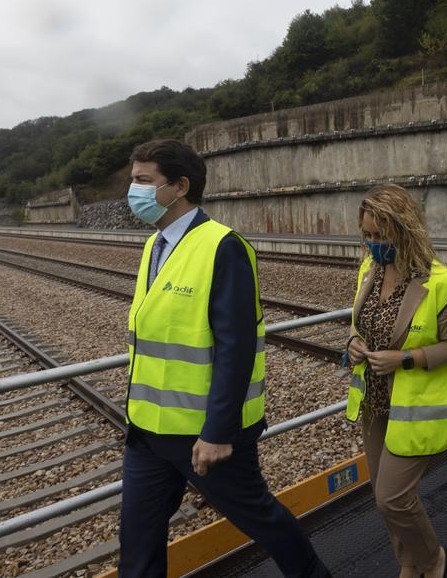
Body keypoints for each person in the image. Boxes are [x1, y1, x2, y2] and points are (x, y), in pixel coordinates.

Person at [119, 139, 329, 578]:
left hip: (203, 436)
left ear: (179, 186)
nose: (132, 190)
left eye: (143, 180)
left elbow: (236, 348)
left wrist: (217, 431)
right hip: (147, 432)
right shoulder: (154, 245)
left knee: (262, 520)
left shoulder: (223, 247)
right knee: (137, 545)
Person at [344, 184, 447, 578]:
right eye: (367, 235)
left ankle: (435, 561)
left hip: (414, 405)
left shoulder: (442, 283)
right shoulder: (370, 269)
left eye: (381, 236)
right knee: (383, 496)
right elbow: (357, 322)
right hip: (374, 401)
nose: (373, 244)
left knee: (392, 497)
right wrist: (352, 343)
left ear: (404, 229)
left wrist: (406, 359)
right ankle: (408, 563)